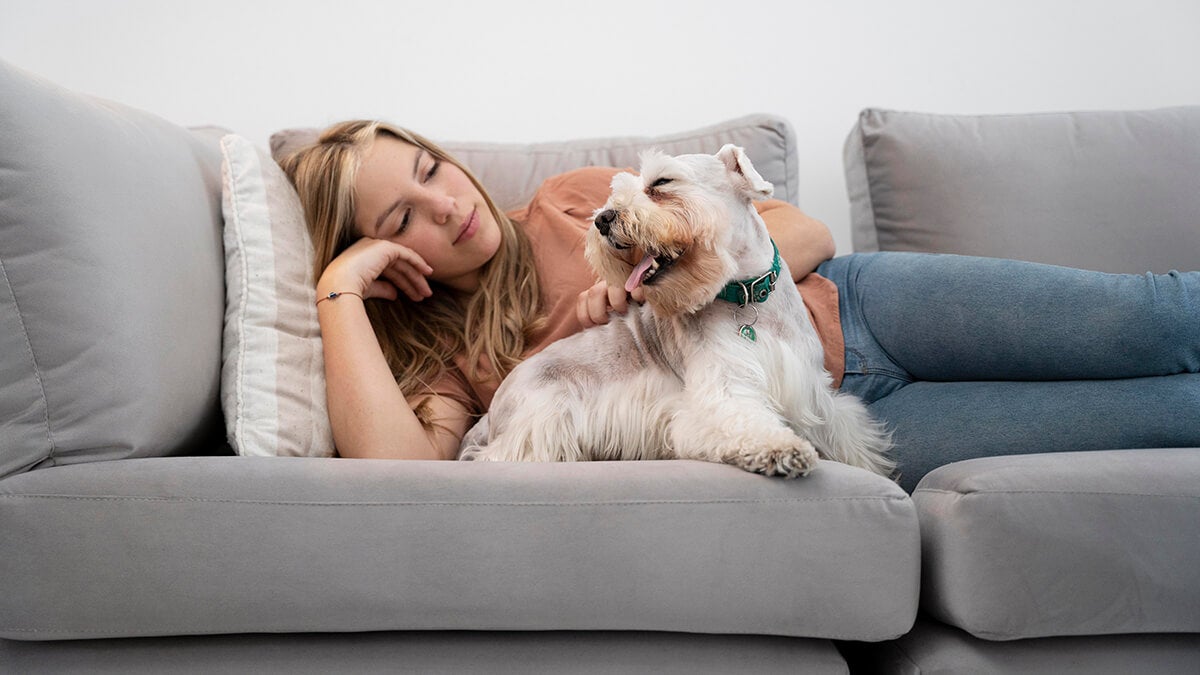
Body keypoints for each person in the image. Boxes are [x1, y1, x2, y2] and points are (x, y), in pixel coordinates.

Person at [281, 120, 1200, 491]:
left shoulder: (570, 199)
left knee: (1147, 319)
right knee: (1167, 415)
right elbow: (392, 469)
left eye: (432, 168)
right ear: (392, 252)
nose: (447, 204)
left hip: (860, 308)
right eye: (405, 216)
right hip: (848, 412)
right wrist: (341, 288)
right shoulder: (460, 362)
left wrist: (700, 278)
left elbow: (801, 231)